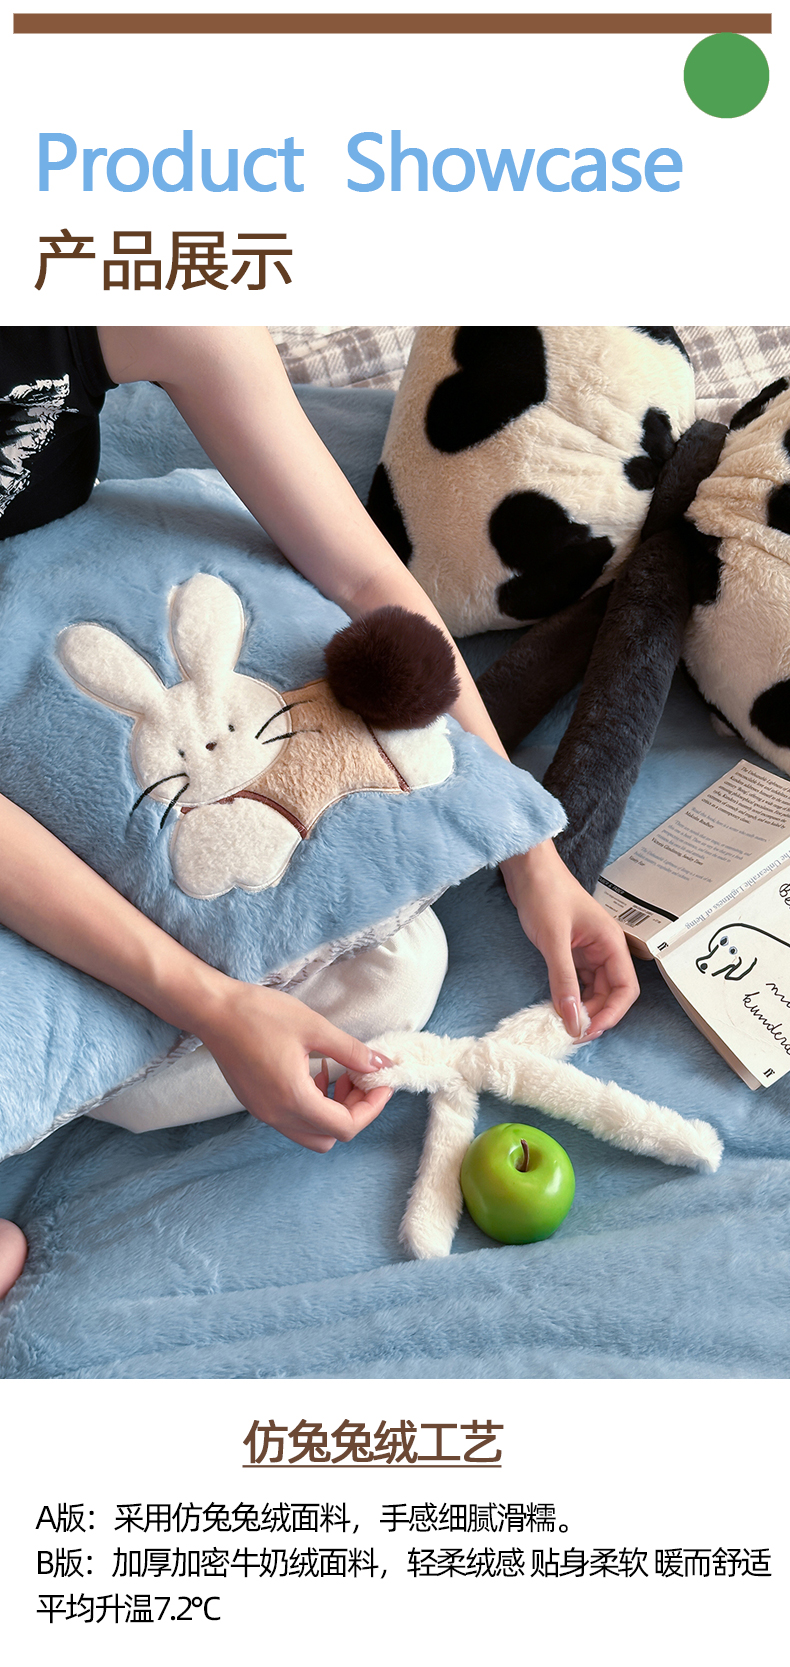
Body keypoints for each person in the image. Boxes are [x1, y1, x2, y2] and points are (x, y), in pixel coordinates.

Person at [0, 325, 640, 1297]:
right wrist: (213, 1006)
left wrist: (526, 847)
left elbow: (363, 577)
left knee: (396, 965)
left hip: (82, 579)